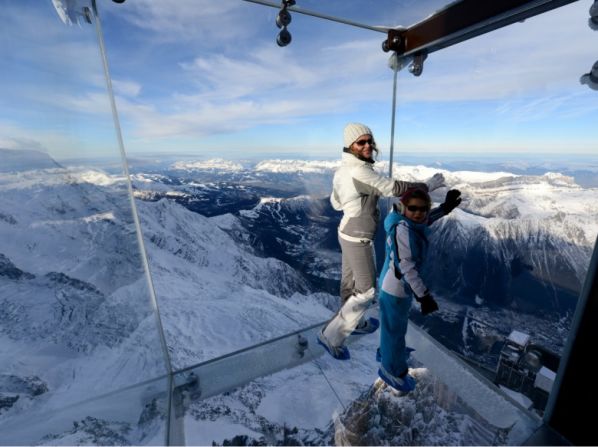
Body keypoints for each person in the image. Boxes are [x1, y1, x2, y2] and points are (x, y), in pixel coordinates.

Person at [317, 122, 446, 360]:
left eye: (369, 141)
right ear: (350, 146)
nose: (367, 145)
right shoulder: (360, 172)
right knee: (366, 291)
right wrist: (426, 187)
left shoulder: (343, 171)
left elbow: (336, 203)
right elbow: (393, 188)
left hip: (346, 231)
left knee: (351, 284)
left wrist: (354, 203)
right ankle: (332, 336)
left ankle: (355, 322)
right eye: (361, 142)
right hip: (358, 237)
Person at [377, 187, 462, 392]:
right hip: (396, 288)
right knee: (395, 330)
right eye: (413, 208)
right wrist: (423, 296)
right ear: (403, 208)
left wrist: (445, 208)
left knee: (393, 327)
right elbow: (405, 265)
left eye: (423, 208)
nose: (419, 212)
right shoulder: (401, 230)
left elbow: (425, 219)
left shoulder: (409, 222)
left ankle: (387, 352)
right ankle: (392, 371)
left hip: (398, 287)